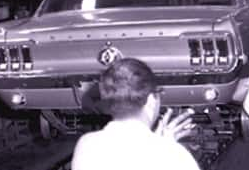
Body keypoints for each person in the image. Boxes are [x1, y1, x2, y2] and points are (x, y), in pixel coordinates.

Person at [71, 58, 200, 170]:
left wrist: (161, 146)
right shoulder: (175, 156)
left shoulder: (87, 145)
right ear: (151, 100)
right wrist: (166, 149)